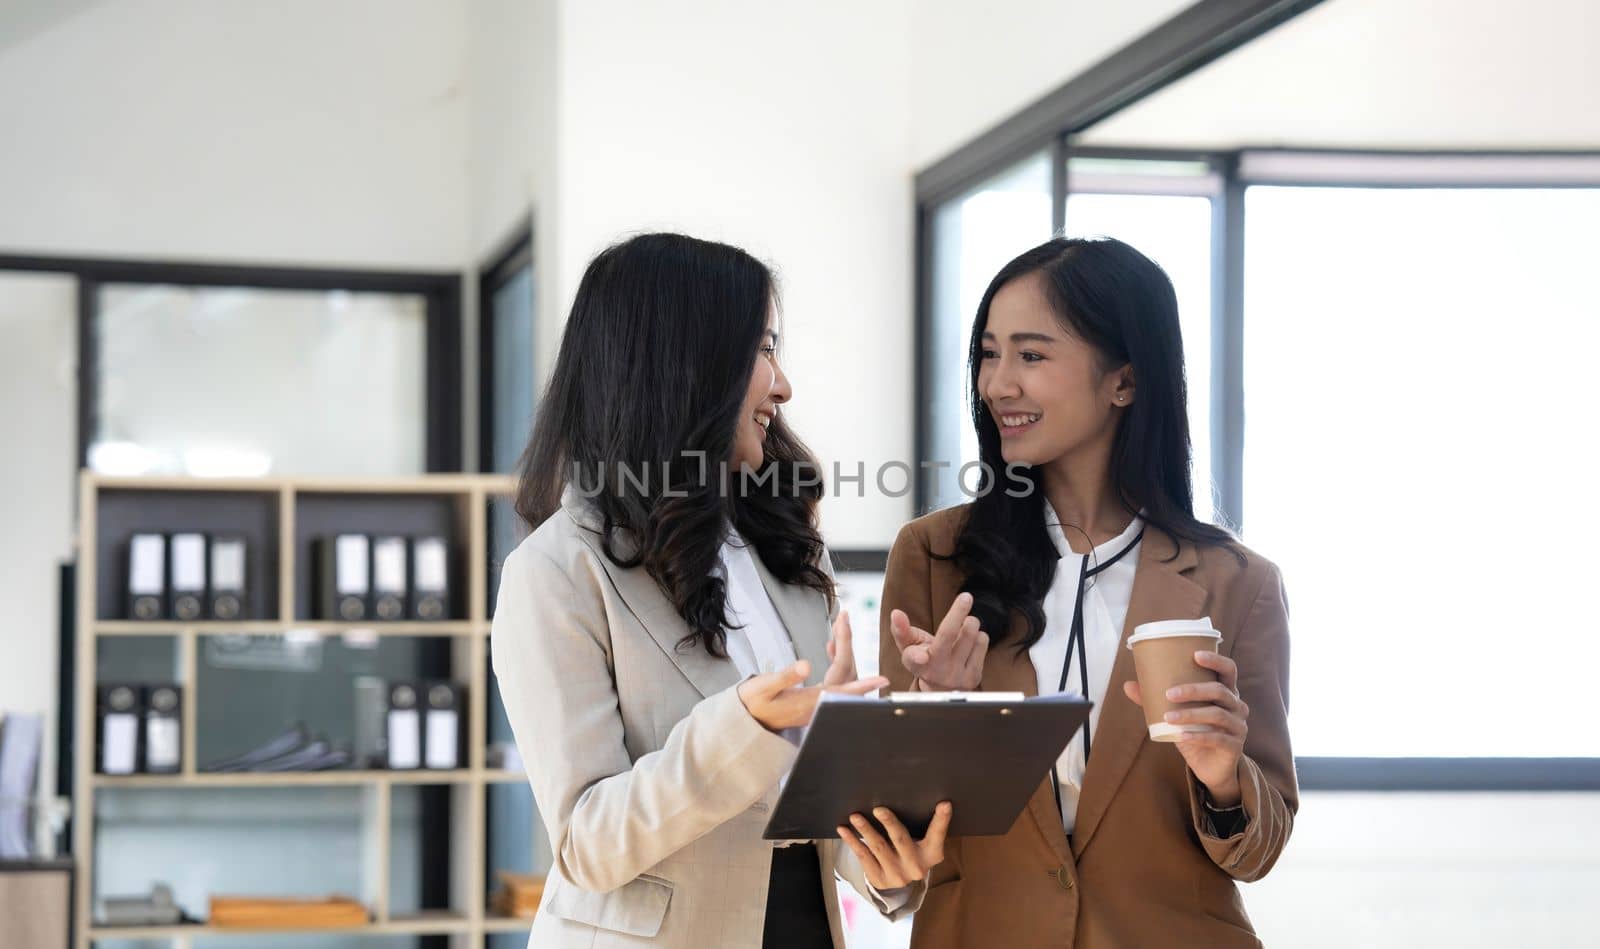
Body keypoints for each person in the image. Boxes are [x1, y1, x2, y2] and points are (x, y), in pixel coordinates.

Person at [492, 232, 949, 948]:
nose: (783, 384)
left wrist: (891, 860)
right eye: (762, 350)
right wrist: (745, 729)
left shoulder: (788, 554)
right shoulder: (555, 574)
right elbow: (588, 844)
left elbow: (830, 815)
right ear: (684, 364)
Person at [881, 236, 1296, 947]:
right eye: (988, 353)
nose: (997, 383)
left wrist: (1223, 776)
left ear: (1124, 381)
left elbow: (1258, 848)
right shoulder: (935, 558)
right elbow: (890, 852)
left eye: (1031, 355)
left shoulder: (1238, 583)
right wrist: (928, 715)